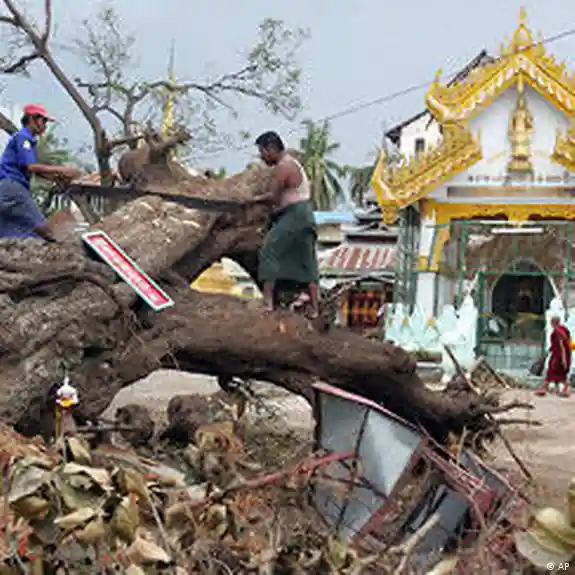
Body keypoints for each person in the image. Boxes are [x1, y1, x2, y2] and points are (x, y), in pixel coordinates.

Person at [251, 131, 319, 317]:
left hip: (295, 214)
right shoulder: (293, 163)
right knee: (307, 260)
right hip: (305, 214)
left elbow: (273, 197)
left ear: (271, 148)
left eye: (262, 152)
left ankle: (267, 302)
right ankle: (314, 307)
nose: (262, 157)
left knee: (269, 250)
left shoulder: (284, 166)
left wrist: (253, 200)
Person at [0, 103, 81, 241]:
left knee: (11, 231)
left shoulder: (23, 139)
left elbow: (36, 171)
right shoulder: (24, 138)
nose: (45, 125)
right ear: (32, 119)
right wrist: (63, 170)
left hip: (4, 189)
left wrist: (57, 178)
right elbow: (32, 167)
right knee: (47, 231)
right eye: (43, 121)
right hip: (14, 189)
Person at [535, 316, 572, 397]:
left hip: (559, 357)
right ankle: (563, 390)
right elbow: (567, 343)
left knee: (551, 373)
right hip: (564, 355)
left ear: (553, 323)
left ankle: (543, 389)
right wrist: (548, 352)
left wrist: (563, 359)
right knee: (560, 374)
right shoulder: (563, 329)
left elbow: (561, 346)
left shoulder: (558, 332)